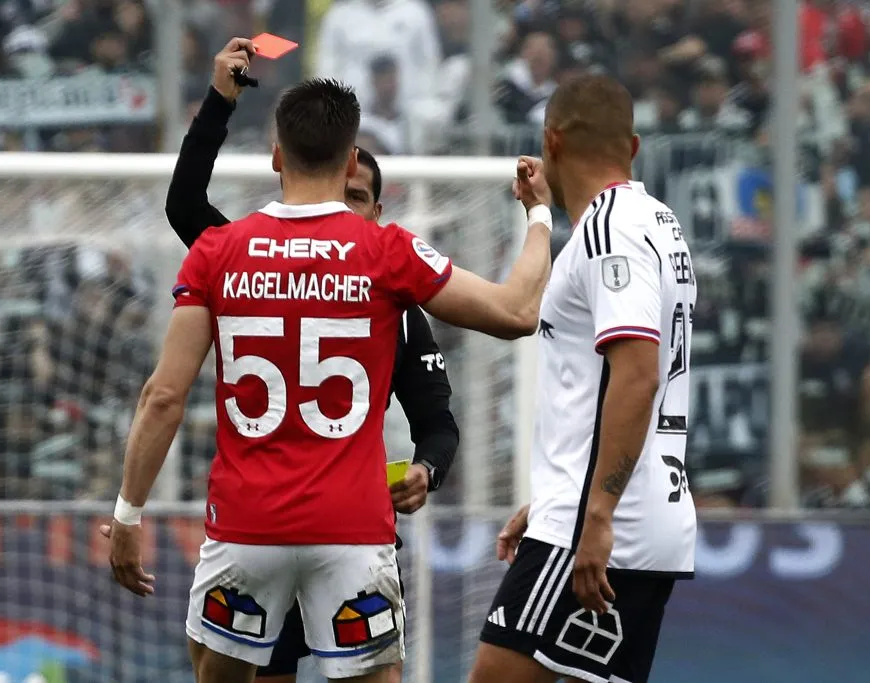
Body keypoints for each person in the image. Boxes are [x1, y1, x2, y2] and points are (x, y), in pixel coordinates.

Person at [103, 37, 553, 683]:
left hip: (246, 528)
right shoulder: (387, 252)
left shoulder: (218, 251)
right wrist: (538, 214)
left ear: (276, 154)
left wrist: (127, 514)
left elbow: (163, 397)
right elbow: (515, 313)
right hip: (351, 531)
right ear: (350, 164)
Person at [164, 42, 461, 683]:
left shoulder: (399, 303)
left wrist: (428, 470)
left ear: (378, 214)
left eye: (359, 200)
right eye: (343, 191)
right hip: (275, 528)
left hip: (343, 526)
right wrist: (219, 104)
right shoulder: (249, 260)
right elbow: (184, 207)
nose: (345, 207)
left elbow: (439, 422)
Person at [472, 74, 698, 683]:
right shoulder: (658, 222)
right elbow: (599, 381)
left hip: (599, 526)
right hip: (628, 513)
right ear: (635, 146)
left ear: (551, 140)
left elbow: (637, 375)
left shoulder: (607, 231)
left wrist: (592, 513)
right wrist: (553, 496)